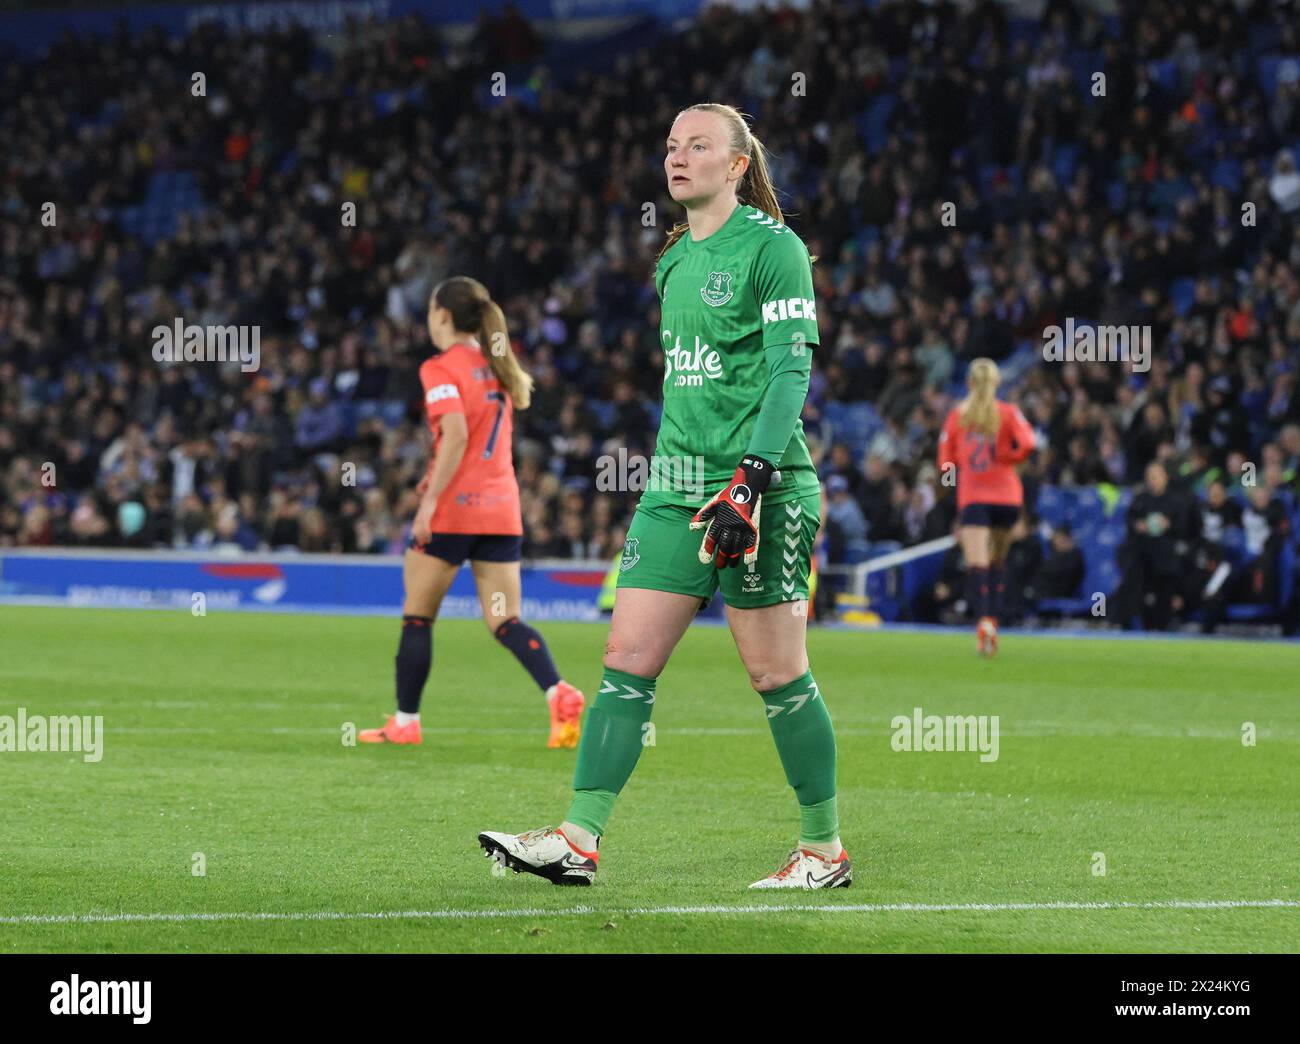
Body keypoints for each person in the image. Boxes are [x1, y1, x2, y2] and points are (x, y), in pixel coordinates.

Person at [478, 103, 850, 889]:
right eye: (672, 145)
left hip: (764, 486)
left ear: (738, 164)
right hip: (675, 484)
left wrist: (750, 479)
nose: (678, 157)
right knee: (626, 658)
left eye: (698, 145)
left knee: (775, 674)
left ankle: (822, 850)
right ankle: (578, 839)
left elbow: (790, 370)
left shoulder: (776, 250)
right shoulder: (673, 260)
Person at [359, 277, 585, 748]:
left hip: (455, 512)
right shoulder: (497, 365)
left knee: (418, 616)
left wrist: (429, 501)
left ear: (442, 314)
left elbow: (458, 436)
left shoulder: (441, 368)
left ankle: (405, 721)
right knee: (505, 621)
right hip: (501, 512)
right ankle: (558, 691)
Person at [936, 358, 1036, 656]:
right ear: (996, 383)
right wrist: (1007, 458)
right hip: (1008, 496)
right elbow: (1029, 443)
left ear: (968, 383)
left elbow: (945, 464)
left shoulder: (958, 416)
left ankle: (984, 623)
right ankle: (995, 617)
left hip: (975, 497)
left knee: (977, 565)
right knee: (997, 563)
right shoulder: (1008, 412)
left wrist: (956, 483)